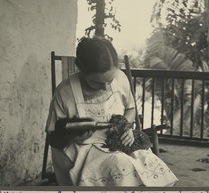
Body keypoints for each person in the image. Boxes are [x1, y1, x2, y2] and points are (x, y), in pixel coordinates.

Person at [45, 36, 178, 186]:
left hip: (119, 142)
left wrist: (126, 127)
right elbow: (53, 139)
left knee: (152, 164)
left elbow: (130, 108)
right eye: (96, 82)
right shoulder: (65, 92)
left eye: (110, 81)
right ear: (81, 70)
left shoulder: (121, 78)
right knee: (122, 166)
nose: (105, 87)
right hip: (83, 151)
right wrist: (73, 134)